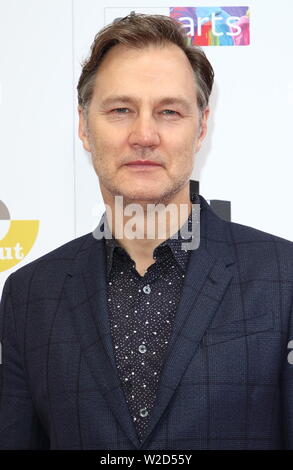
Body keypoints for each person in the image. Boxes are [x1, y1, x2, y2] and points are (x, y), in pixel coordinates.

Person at [0, 13, 292, 450]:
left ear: (201, 128)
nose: (144, 134)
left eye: (169, 111)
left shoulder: (284, 277)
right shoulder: (29, 294)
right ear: (84, 126)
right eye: (121, 110)